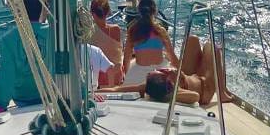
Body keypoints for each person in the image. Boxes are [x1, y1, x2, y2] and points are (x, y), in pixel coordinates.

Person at [98, 34, 231, 107]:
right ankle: (222, 93)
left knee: (193, 39)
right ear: (169, 83)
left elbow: (116, 89)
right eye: (164, 71)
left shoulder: (147, 86)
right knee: (212, 47)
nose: (165, 69)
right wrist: (171, 93)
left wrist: (91, 92)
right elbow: (194, 97)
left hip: (186, 76)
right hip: (204, 85)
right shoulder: (174, 91)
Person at [0, 0, 48, 111]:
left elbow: (7, 74)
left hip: (23, 98)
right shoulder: (55, 34)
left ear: (22, 12)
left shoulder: (8, 39)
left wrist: (1, 105)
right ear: (42, 11)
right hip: (52, 96)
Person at [122, 0, 179, 85]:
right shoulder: (160, 31)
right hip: (160, 72)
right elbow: (171, 55)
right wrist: (180, 73)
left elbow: (126, 58)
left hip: (138, 75)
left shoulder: (133, 30)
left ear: (139, 11)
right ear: (155, 11)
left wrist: (127, 75)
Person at [89, 0, 124, 86]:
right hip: (115, 78)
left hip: (97, 80)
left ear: (92, 13)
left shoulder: (87, 32)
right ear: (108, 12)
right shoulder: (116, 30)